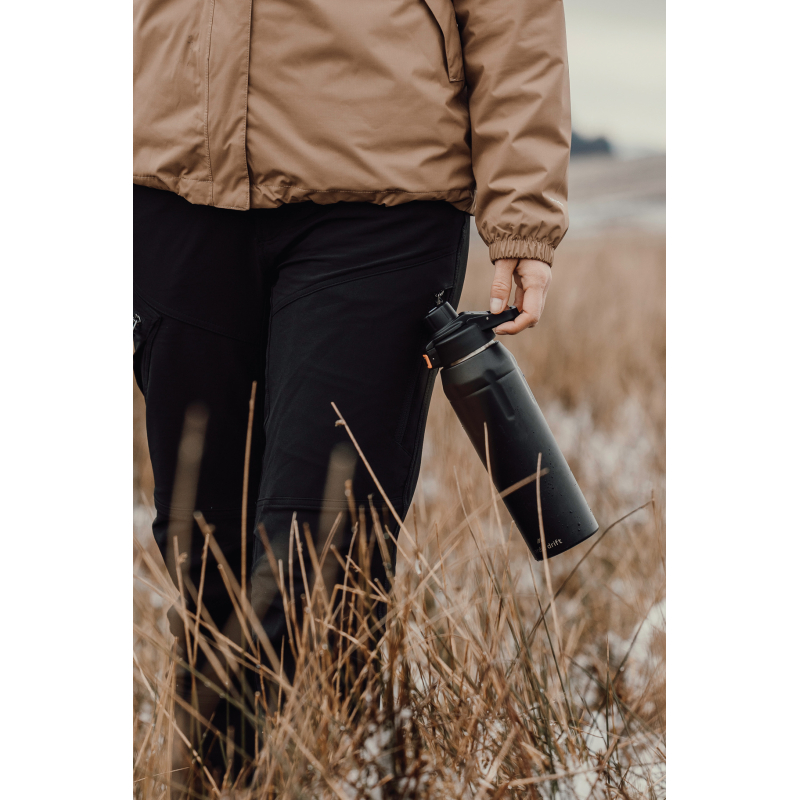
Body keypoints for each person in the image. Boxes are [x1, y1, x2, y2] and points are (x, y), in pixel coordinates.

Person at [134, 0, 570, 788]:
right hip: (171, 183)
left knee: (317, 553)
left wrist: (524, 211)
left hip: (380, 202)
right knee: (203, 556)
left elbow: (515, 17)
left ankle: (299, 776)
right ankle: (238, 778)